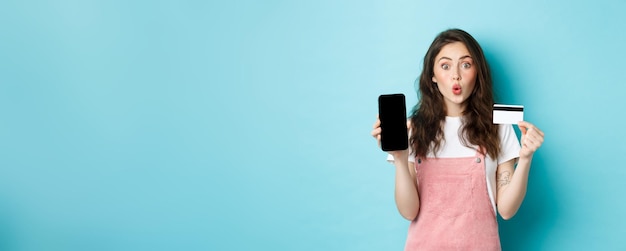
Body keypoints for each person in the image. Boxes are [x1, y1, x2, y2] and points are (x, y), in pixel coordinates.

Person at [370, 28, 545, 250]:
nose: (456, 75)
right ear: (432, 75)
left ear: (477, 72)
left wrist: (526, 158)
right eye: (445, 66)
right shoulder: (412, 129)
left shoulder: (498, 126)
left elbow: (507, 210)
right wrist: (400, 158)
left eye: (466, 64)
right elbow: (408, 211)